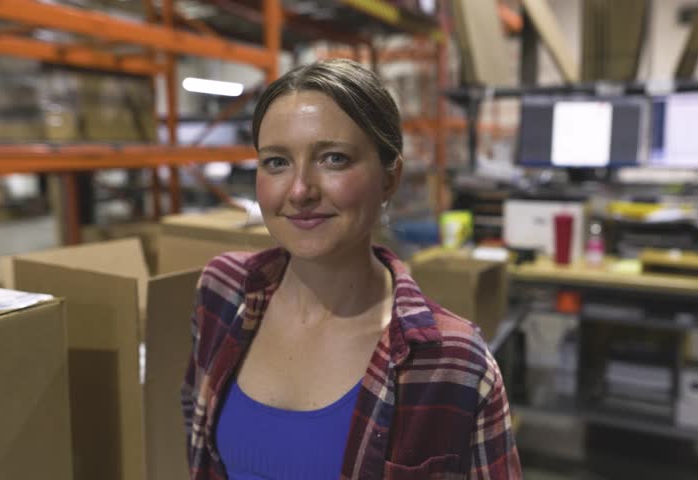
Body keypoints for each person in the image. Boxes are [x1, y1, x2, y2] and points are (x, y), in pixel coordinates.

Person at [182, 59, 522, 480]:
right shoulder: (222, 292)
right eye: (276, 162)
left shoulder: (451, 362)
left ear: (390, 177)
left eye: (334, 159)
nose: (301, 189)